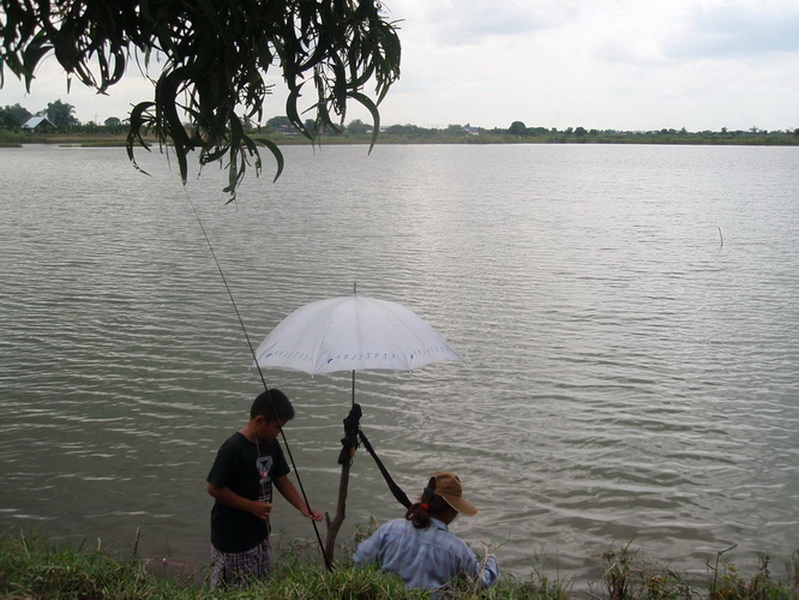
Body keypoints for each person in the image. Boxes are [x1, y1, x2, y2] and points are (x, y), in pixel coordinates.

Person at [206, 388, 323, 588]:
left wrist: (303, 507)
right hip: (232, 537)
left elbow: (281, 478)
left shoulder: (271, 444)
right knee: (233, 588)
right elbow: (214, 488)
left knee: (260, 585)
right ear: (259, 421)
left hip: (259, 532)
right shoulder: (232, 449)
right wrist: (251, 506)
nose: (279, 432)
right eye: (277, 427)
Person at [353, 471, 499, 594]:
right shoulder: (458, 550)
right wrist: (491, 560)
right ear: (452, 510)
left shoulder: (389, 529)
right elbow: (479, 584)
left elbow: (360, 560)